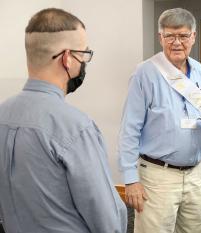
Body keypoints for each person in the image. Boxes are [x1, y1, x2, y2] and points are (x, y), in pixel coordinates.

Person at [0, 8, 127, 233]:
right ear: (67, 58)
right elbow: (107, 221)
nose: (85, 61)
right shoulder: (76, 128)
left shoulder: (3, 114)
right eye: (84, 54)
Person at [118, 7, 201, 233]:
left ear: (193, 37)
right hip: (157, 176)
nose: (176, 42)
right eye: (170, 35)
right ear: (160, 38)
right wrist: (130, 180)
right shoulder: (145, 73)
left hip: (196, 174)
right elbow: (129, 130)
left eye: (183, 35)